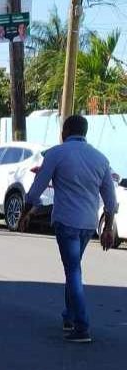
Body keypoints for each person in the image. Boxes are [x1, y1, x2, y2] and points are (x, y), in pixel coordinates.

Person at [18, 114, 119, 343]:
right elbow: (110, 200)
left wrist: (25, 212)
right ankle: (69, 316)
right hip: (88, 224)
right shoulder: (100, 159)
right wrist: (108, 228)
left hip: (66, 222)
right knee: (73, 268)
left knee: (73, 271)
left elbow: (36, 189)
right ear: (84, 132)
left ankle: (82, 326)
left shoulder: (56, 153)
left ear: (65, 132)